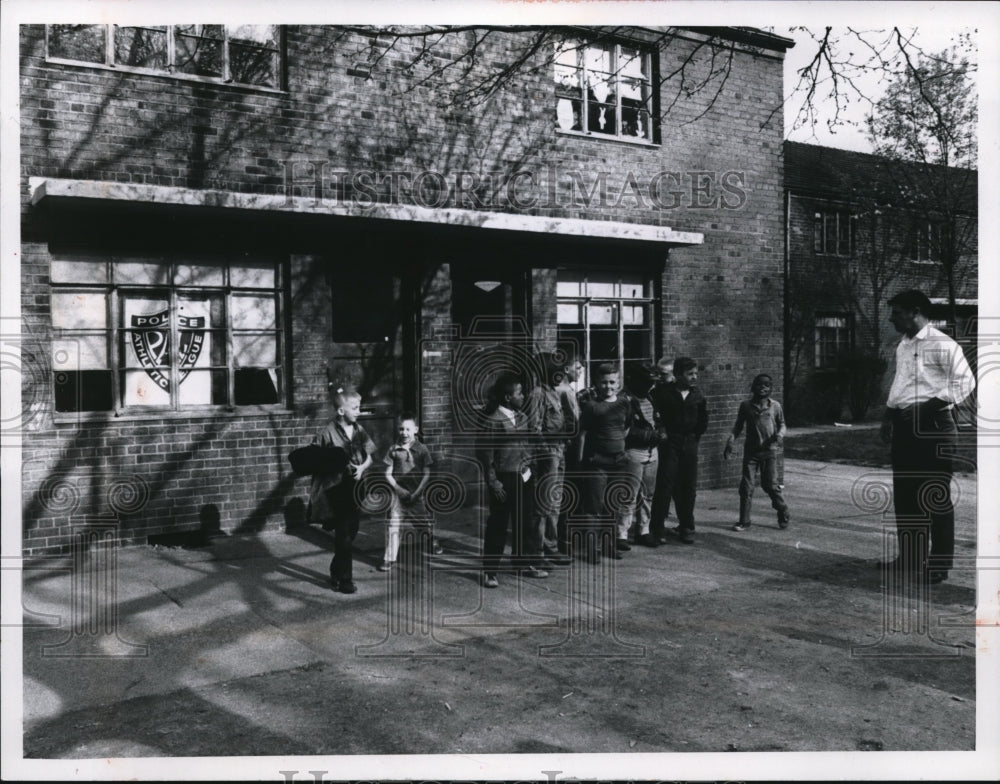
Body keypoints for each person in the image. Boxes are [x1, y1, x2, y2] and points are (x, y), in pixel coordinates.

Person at [879, 289, 975, 585]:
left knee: (934, 496)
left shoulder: (942, 343)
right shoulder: (903, 345)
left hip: (934, 427)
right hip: (906, 426)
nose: (892, 318)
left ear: (915, 311)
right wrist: (888, 415)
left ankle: (939, 563)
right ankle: (910, 557)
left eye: (897, 313)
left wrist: (926, 408)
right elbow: (901, 384)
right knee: (907, 496)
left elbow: (965, 382)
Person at [478, 373, 546, 588]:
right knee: (498, 524)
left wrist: (530, 468)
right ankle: (490, 572)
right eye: (519, 393)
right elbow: (484, 455)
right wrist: (493, 482)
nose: (523, 396)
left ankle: (523, 563)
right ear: (507, 397)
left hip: (523, 477)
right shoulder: (494, 421)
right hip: (503, 479)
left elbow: (526, 446)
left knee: (525, 523)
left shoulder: (523, 418)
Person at [309, 387, 375, 594]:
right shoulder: (327, 433)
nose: (358, 411)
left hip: (356, 487)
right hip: (336, 489)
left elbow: (370, 455)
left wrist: (362, 467)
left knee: (352, 529)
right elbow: (314, 459)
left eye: (359, 407)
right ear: (341, 411)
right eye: (354, 408)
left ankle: (336, 569)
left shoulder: (359, 430)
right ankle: (345, 579)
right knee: (344, 531)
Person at [577, 362, 632, 562]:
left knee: (612, 505)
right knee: (594, 507)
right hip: (597, 463)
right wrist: (581, 462)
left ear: (618, 383)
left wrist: (619, 448)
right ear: (596, 383)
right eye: (604, 382)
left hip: (618, 462)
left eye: (612, 382)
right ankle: (593, 549)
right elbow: (582, 434)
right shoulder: (592, 406)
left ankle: (609, 546)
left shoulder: (625, 403)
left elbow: (625, 427)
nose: (608, 386)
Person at [650, 357, 708, 544]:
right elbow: (657, 418)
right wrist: (664, 433)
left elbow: (702, 422)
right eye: (689, 374)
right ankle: (658, 529)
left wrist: (693, 439)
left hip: (690, 443)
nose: (694, 377)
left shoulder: (698, 395)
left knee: (689, 487)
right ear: (677, 375)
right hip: (670, 443)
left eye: (696, 374)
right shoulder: (663, 394)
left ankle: (686, 527)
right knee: (665, 486)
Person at [525, 352, 576, 567]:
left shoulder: (553, 393)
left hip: (559, 450)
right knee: (542, 504)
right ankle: (537, 552)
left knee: (554, 502)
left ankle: (551, 546)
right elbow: (533, 429)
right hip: (547, 455)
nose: (562, 373)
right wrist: (546, 454)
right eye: (558, 370)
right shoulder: (538, 394)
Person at [723, 373, 790, 531]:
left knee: (770, 486)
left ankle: (783, 510)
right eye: (759, 385)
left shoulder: (775, 406)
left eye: (766, 385)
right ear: (753, 387)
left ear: (771, 389)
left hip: (769, 451)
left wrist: (780, 435)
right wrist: (730, 441)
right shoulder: (746, 406)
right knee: (746, 487)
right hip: (751, 453)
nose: (763, 388)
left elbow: (783, 424)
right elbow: (738, 426)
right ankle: (744, 521)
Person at [380, 412, 440, 571]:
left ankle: (430, 539)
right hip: (398, 495)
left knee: (421, 523)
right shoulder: (394, 449)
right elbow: (387, 473)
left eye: (407, 429)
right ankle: (389, 558)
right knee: (394, 525)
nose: (404, 433)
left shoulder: (422, 449)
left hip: (416, 494)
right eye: (401, 429)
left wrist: (417, 493)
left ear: (415, 430)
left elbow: (427, 473)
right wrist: (398, 489)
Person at [619, 361, 666, 549]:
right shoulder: (624, 400)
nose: (649, 386)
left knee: (647, 494)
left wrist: (661, 431)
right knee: (628, 494)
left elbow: (658, 419)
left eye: (651, 382)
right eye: (646, 382)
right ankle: (621, 532)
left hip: (652, 452)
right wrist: (648, 435)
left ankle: (643, 530)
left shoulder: (650, 398)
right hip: (633, 452)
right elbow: (621, 430)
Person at [649, 357, 675, 543]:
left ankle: (665, 524)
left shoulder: (676, 392)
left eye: (663, 375)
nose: (658, 378)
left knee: (672, 486)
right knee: (660, 487)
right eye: (656, 374)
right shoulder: (654, 392)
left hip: (674, 444)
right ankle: (657, 527)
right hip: (660, 443)